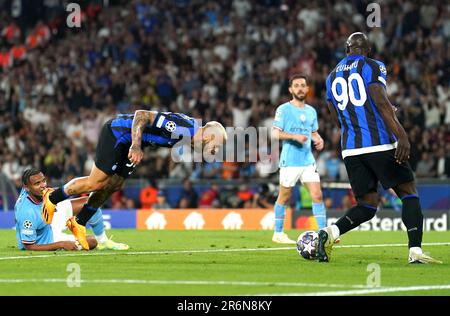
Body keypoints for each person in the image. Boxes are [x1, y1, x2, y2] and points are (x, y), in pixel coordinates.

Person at [320, 32, 441, 264]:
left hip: (351, 148)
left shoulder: (330, 76)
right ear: (368, 50)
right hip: (379, 144)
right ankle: (415, 251)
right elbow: (380, 101)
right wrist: (402, 136)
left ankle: (329, 233)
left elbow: (336, 117)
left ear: (347, 50)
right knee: (408, 192)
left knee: (366, 205)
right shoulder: (373, 66)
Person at [42, 111, 227, 249]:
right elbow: (142, 115)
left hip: (131, 143)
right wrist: (136, 145)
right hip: (118, 134)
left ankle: (78, 222)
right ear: (209, 136)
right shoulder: (182, 127)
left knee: (115, 184)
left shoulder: (192, 136)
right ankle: (52, 197)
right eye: (216, 146)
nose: (215, 150)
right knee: (97, 182)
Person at [271, 74, 327, 244]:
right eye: (296, 85)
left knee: (317, 195)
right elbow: (274, 133)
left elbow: (313, 132)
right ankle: (278, 233)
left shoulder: (311, 111)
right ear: (290, 89)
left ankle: (323, 234)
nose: (300, 88)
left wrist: (319, 139)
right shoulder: (283, 109)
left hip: (307, 160)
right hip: (290, 161)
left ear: (308, 89)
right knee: (284, 197)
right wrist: (294, 136)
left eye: (303, 85)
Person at [15, 168, 128, 251]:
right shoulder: (27, 213)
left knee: (90, 202)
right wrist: (61, 244)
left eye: (43, 181)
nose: (43, 185)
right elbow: (29, 246)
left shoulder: (31, 190)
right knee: (92, 241)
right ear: (26, 187)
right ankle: (97, 242)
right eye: (37, 183)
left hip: (49, 214)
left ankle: (103, 241)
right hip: (49, 238)